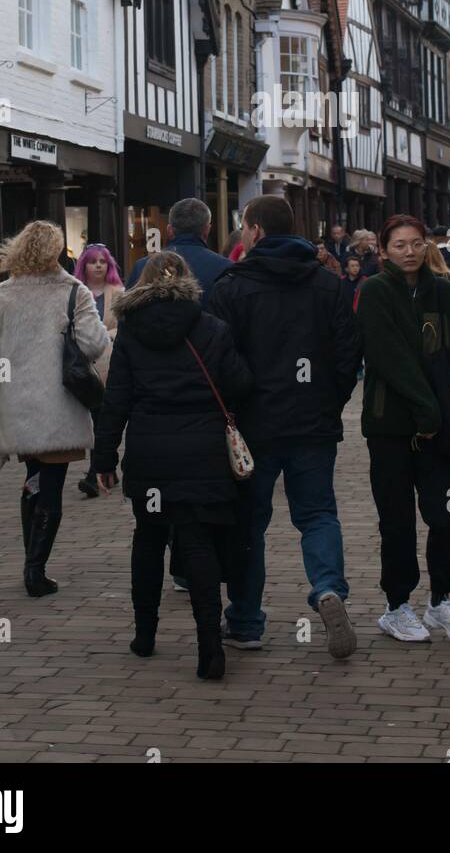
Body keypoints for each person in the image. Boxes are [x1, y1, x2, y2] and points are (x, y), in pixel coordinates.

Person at [208, 196, 361, 658]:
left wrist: (238, 404)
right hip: (312, 422)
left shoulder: (230, 287)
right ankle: (328, 587)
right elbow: (348, 357)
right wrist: (328, 401)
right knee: (316, 514)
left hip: (255, 426)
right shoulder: (329, 284)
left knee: (250, 525)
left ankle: (247, 621)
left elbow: (220, 360)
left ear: (253, 231)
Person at [93, 252, 253, 680]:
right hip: (203, 453)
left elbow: (117, 399)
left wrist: (104, 457)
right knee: (197, 540)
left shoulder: (129, 331)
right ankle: (209, 646)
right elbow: (239, 383)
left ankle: (145, 634)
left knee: (149, 537)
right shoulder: (212, 328)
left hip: (150, 453)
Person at [356, 215, 450, 644]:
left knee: (447, 516)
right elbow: (387, 356)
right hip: (390, 428)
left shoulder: (444, 291)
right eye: (399, 245)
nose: (409, 252)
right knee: (396, 522)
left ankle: (441, 600)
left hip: (442, 431)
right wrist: (428, 410)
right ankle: (397, 605)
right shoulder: (374, 291)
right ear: (383, 250)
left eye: (416, 243)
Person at [0, 221, 110, 596]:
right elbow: (94, 345)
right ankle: (36, 569)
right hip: (58, 406)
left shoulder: (3, 295)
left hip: (18, 405)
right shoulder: (73, 292)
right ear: (56, 251)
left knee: (33, 478)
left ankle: (30, 562)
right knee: (53, 486)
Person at [73, 244, 123, 499]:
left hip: (109, 365)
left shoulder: (118, 292)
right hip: (83, 366)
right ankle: (106, 470)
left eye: (103, 261)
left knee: (104, 418)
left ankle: (96, 473)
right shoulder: (75, 293)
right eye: (93, 262)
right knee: (95, 419)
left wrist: (102, 336)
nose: (99, 266)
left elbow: (124, 327)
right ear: (84, 266)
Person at [126, 198, 231, 303]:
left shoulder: (142, 267)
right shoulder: (225, 268)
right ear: (207, 230)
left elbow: (127, 314)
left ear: (169, 230)